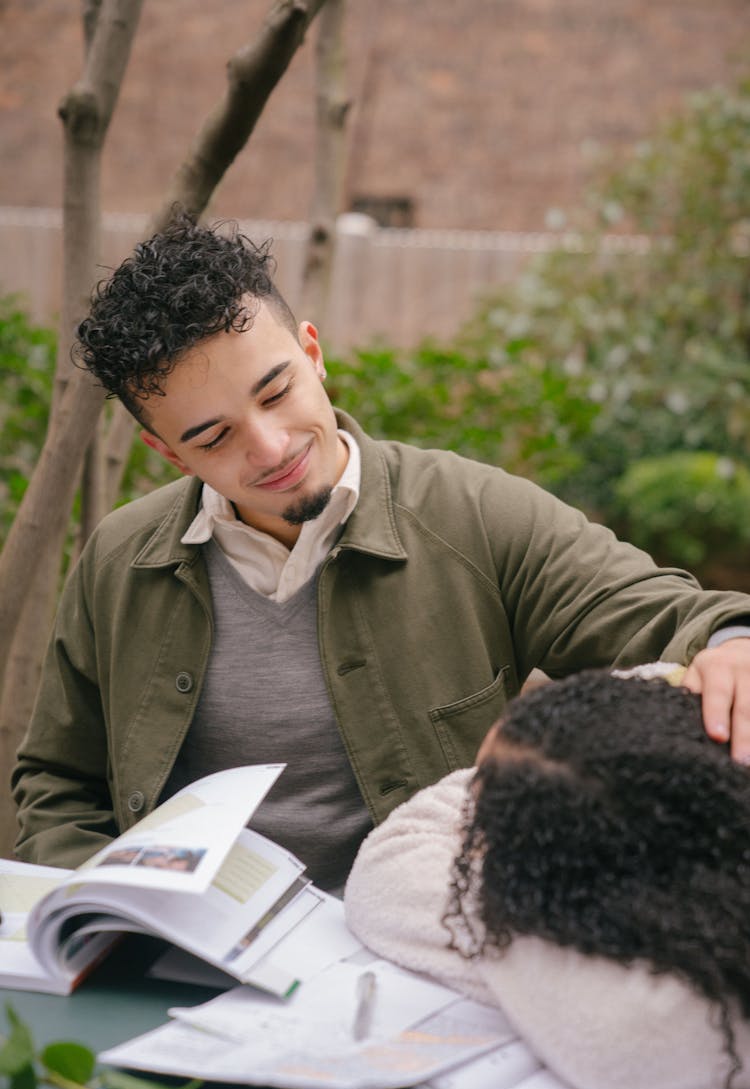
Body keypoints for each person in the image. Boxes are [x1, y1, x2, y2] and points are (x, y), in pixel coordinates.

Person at [12, 215, 750, 891]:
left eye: (276, 392)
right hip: (180, 970)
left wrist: (732, 642)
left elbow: (678, 615)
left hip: (418, 958)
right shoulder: (118, 562)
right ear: (166, 452)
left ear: (312, 352)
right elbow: (58, 780)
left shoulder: (475, 514)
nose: (270, 448)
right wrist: (100, 907)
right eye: (213, 437)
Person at [344, 669, 750, 1089]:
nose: (467, 799)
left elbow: (390, 865)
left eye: (485, 817)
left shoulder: (664, 1026)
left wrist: (507, 917)